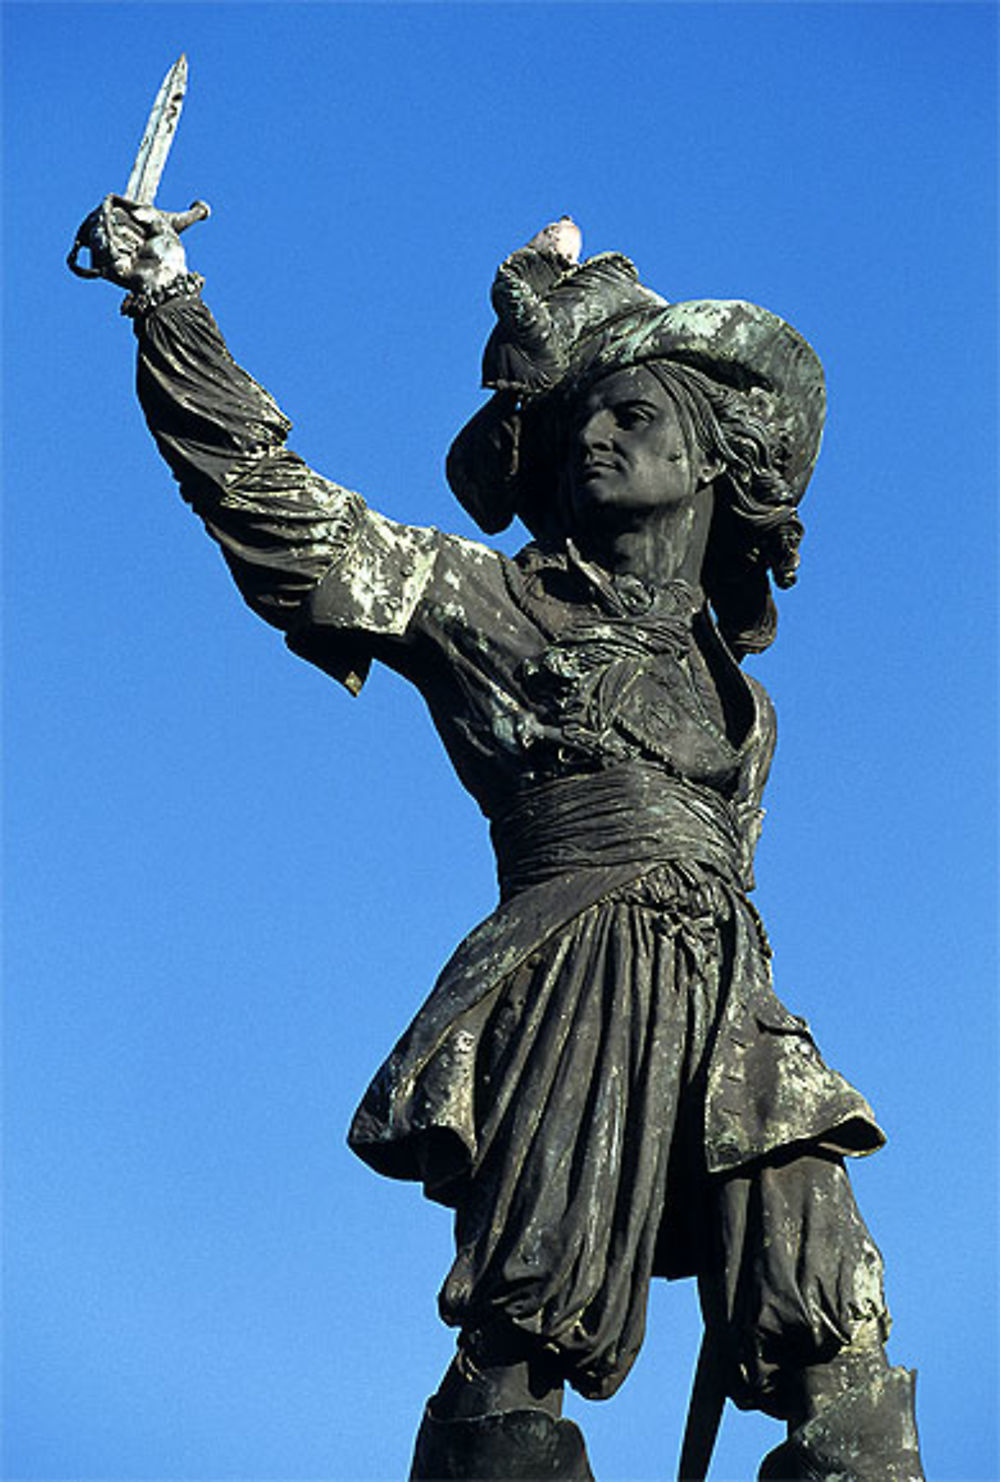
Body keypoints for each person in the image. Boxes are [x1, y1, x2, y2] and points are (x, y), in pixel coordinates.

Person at [73, 198, 925, 1481]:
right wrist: (166, 300)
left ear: (712, 456)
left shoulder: (745, 704)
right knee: (522, 1340)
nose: (593, 433)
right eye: (579, 415)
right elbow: (273, 507)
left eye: (632, 414)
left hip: (732, 1009)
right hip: (573, 981)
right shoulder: (485, 599)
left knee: (837, 1344)